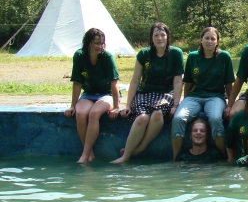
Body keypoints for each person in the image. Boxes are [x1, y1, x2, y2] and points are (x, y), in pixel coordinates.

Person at [113, 23, 183, 164]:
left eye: (162, 35)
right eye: (156, 35)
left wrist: (176, 105)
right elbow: (134, 81)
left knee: (157, 114)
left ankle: (142, 147)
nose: (159, 38)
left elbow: (177, 81)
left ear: (168, 37)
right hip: (144, 93)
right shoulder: (144, 54)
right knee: (142, 118)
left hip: (165, 94)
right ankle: (126, 156)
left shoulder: (176, 53)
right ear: (151, 38)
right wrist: (128, 105)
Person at [171, 27, 234, 160]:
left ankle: (224, 157)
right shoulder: (193, 57)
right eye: (206, 38)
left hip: (215, 97)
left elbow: (229, 84)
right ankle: (176, 158)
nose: (209, 41)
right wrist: (185, 101)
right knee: (178, 118)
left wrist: (230, 105)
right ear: (201, 40)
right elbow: (188, 83)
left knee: (215, 118)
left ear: (217, 42)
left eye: (213, 39)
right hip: (194, 96)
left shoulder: (224, 57)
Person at [64, 28, 120, 163]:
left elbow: (114, 83)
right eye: (96, 43)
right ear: (88, 42)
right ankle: (90, 154)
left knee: (94, 113)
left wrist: (116, 107)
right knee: (80, 113)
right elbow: (77, 83)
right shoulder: (79, 55)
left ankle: (84, 155)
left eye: (102, 43)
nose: (100, 46)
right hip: (88, 93)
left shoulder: (107, 57)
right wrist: (72, 106)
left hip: (106, 94)